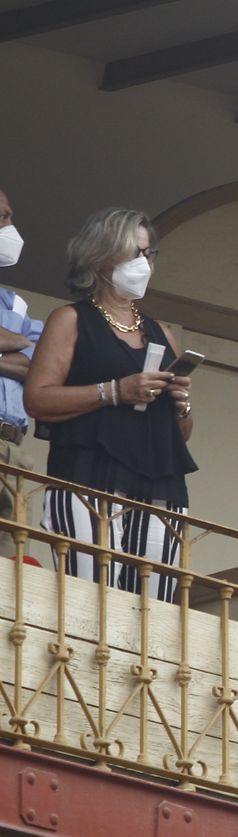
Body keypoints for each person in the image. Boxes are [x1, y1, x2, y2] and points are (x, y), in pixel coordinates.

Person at [23, 207, 195, 602]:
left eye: (148, 254)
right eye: (133, 253)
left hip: (159, 483)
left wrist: (181, 404)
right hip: (87, 475)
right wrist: (116, 391)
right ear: (100, 257)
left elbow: (182, 434)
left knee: (154, 608)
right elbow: (38, 398)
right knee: (93, 601)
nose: (143, 264)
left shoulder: (163, 333)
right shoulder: (71, 320)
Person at [0, 188, 42, 560]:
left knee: (7, 572)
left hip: (12, 449)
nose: (11, 227)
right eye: (3, 217)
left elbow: (39, 363)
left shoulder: (15, 303)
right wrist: (15, 346)